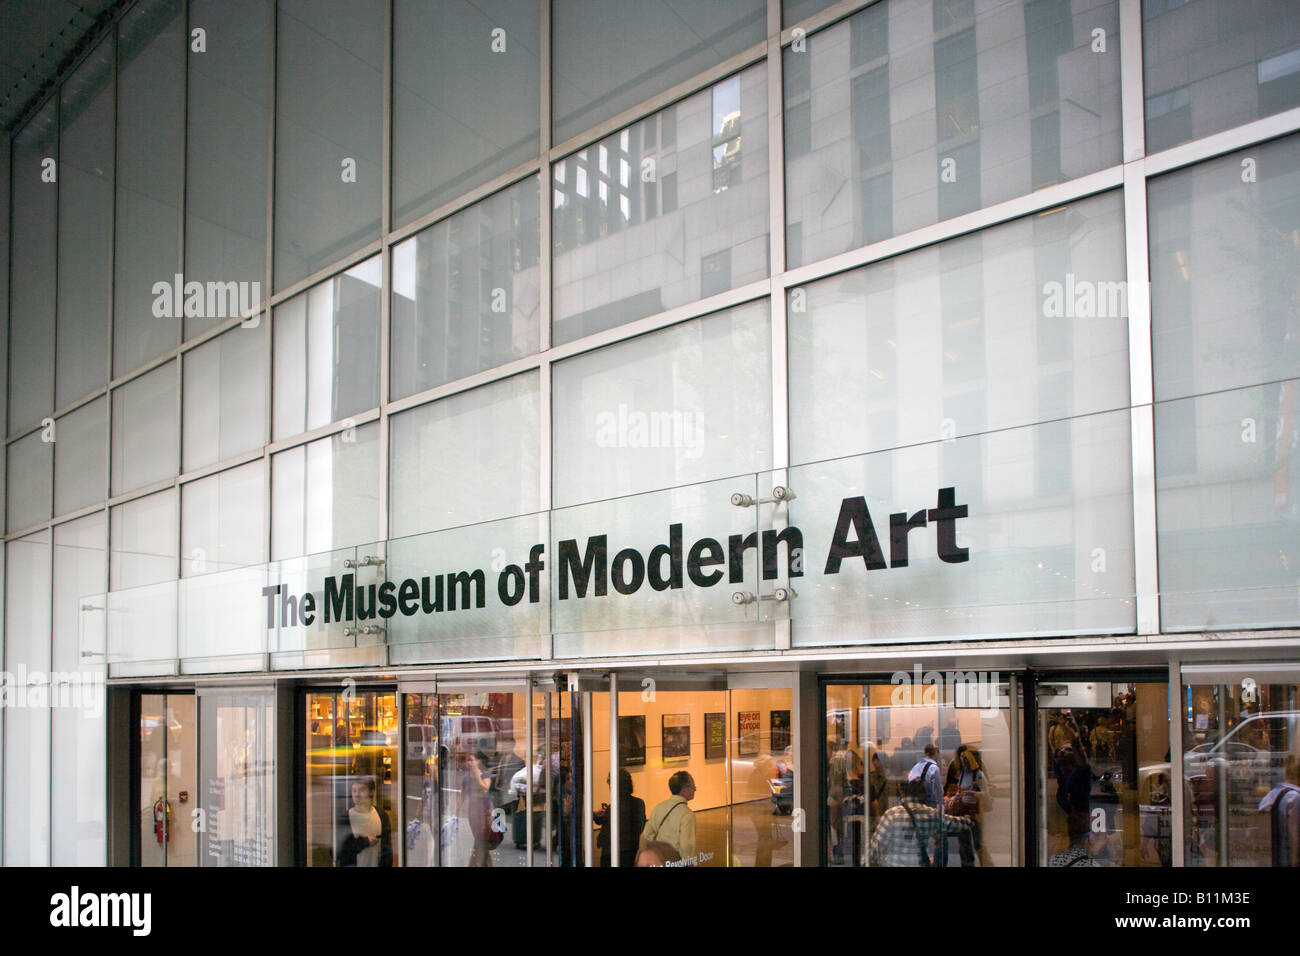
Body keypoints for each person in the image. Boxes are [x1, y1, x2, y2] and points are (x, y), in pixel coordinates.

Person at [869, 763, 974, 866]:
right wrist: (972, 816)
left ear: (901, 790)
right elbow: (960, 823)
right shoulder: (931, 814)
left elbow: (873, 851)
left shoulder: (891, 815)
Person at [944, 744, 989, 866]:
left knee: (977, 841)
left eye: (966, 758)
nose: (963, 761)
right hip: (963, 807)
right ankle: (970, 863)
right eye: (962, 758)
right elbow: (953, 787)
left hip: (975, 809)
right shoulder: (958, 768)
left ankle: (983, 862)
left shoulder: (977, 771)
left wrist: (969, 793)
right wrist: (951, 798)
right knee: (965, 841)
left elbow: (985, 789)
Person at [593, 768, 646, 867]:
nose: (609, 787)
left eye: (610, 783)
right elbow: (640, 827)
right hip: (631, 852)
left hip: (612, 855)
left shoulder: (613, 807)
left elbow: (606, 832)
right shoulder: (639, 803)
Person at [641, 771, 696, 861]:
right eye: (693, 786)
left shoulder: (659, 807)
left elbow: (647, 834)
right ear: (684, 789)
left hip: (659, 859)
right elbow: (686, 847)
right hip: (674, 861)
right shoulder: (687, 815)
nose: (695, 789)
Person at [338, 776, 392, 867]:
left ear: (371, 792)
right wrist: (364, 842)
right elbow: (337, 851)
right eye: (354, 790)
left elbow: (387, 850)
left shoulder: (382, 816)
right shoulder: (345, 818)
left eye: (361, 790)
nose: (357, 794)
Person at [1259, 755, 1300, 867]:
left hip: (1276, 852)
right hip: (1287, 855)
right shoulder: (1295, 797)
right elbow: (1294, 833)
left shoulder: (1275, 793)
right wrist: (1294, 859)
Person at [912, 744, 943, 809]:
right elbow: (938, 790)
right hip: (930, 804)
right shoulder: (934, 768)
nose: (937, 757)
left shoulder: (917, 766)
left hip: (917, 802)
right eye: (937, 754)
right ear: (935, 754)